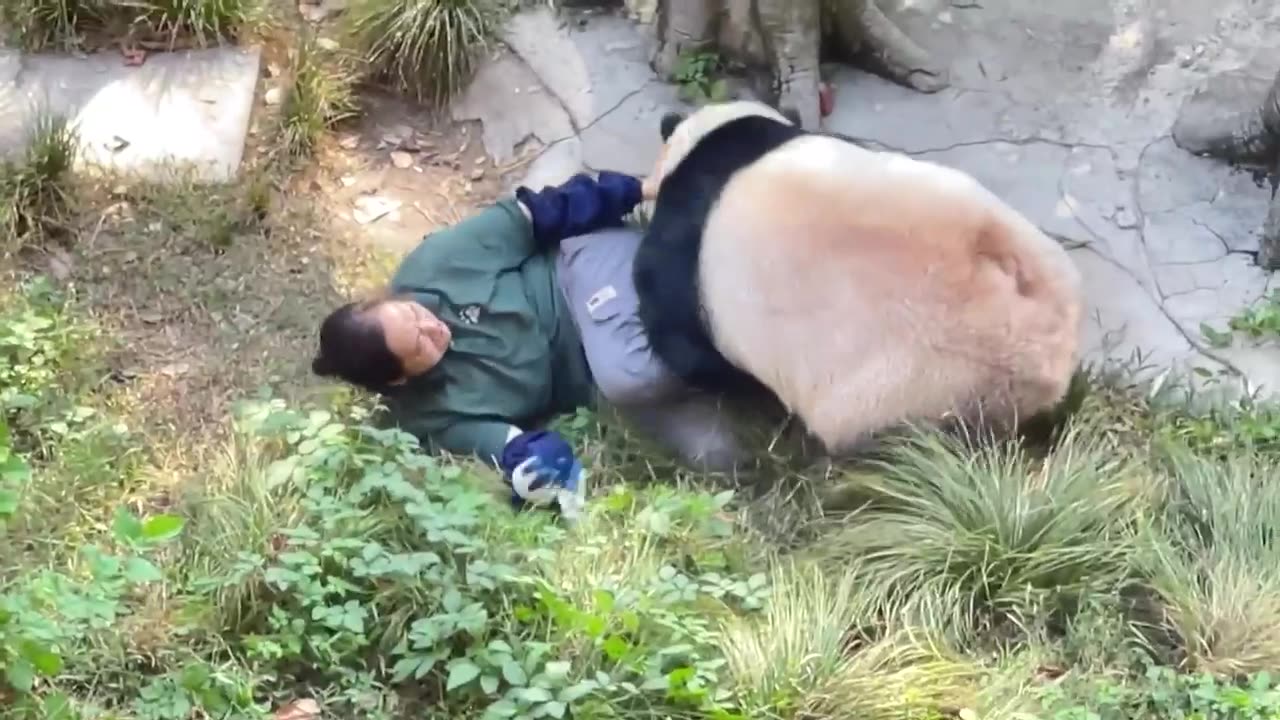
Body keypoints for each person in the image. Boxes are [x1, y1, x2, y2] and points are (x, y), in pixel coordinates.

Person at [310, 170, 744, 485]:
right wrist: (540, 470)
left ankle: (739, 307)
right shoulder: (432, 416)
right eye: (419, 345)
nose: (432, 328)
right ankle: (747, 369)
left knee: (634, 374)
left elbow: (542, 211)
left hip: (579, 276)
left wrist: (648, 186)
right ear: (399, 378)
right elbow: (514, 448)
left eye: (413, 316)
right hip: (594, 376)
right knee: (721, 454)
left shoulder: (434, 267)